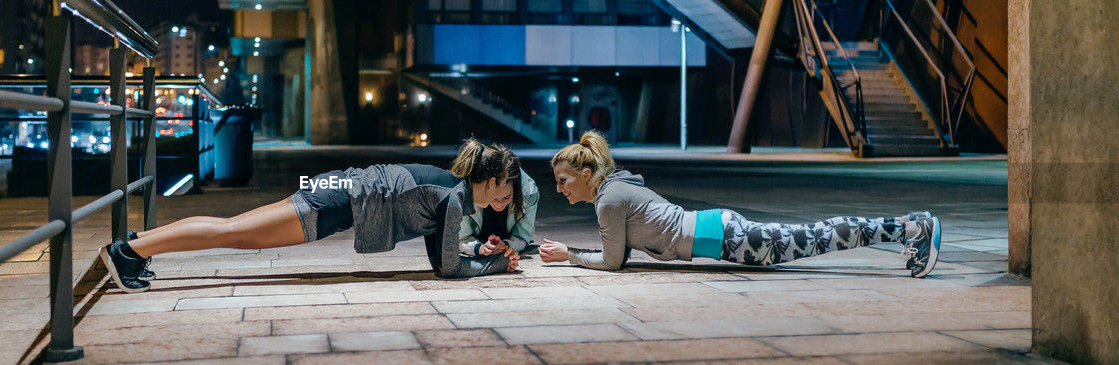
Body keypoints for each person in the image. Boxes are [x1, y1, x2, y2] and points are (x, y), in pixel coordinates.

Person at [99, 139, 524, 293]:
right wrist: (494, 264)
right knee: (232, 232)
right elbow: (448, 269)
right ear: (489, 181)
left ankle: (141, 243)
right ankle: (129, 250)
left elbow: (442, 252)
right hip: (337, 202)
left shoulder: (448, 187)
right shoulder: (452, 195)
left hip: (337, 190)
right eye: (505, 192)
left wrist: (473, 248)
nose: (505, 201)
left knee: (234, 231)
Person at [538, 131, 942, 278]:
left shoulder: (608, 200)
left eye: (563, 180)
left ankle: (912, 228)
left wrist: (568, 256)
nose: (560, 189)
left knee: (816, 236)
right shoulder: (613, 189)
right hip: (722, 231)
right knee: (814, 236)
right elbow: (621, 253)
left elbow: (612, 263)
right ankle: (908, 226)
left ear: (586, 174)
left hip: (726, 238)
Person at [459, 168, 539, 258]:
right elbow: (459, 238)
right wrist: (479, 248)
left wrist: (505, 246)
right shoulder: (466, 193)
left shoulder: (528, 193)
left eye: (506, 197)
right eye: (494, 197)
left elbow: (523, 236)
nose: (499, 204)